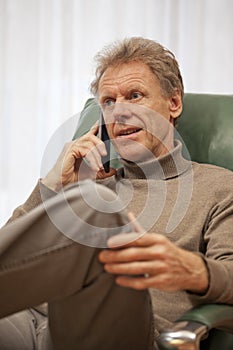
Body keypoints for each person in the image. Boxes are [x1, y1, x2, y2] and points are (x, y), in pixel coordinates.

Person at [0, 37, 233, 350]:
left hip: (120, 332)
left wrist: (194, 270)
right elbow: (16, 260)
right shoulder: (85, 185)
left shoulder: (219, 186)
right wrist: (53, 185)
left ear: (173, 103)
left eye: (134, 96)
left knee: (101, 210)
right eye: (108, 102)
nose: (119, 112)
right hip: (27, 320)